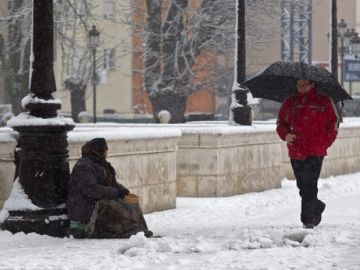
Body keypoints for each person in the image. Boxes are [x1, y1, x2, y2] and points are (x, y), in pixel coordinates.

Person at [276, 79, 339, 228]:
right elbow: (280, 123)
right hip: (296, 149)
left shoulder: (324, 101)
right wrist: (285, 135)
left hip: (316, 150)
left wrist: (325, 142)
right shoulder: (290, 102)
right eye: (298, 85)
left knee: (310, 184)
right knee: (302, 185)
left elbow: (334, 124)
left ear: (312, 85)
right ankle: (317, 206)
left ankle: (307, 220)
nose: (300, 88)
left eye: (303, 85)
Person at [67, 138, 152, 238]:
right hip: (85, 209)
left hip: (95, 202)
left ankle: (140, 229)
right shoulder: (83, 166)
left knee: (131, 202)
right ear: (99, 150)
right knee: (113, 204)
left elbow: (111, 184)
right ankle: (127, 229)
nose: (107, 152)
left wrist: (122, 190)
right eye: (105, 150)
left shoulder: (100, 164)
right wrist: (116, 193)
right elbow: (93, 190)